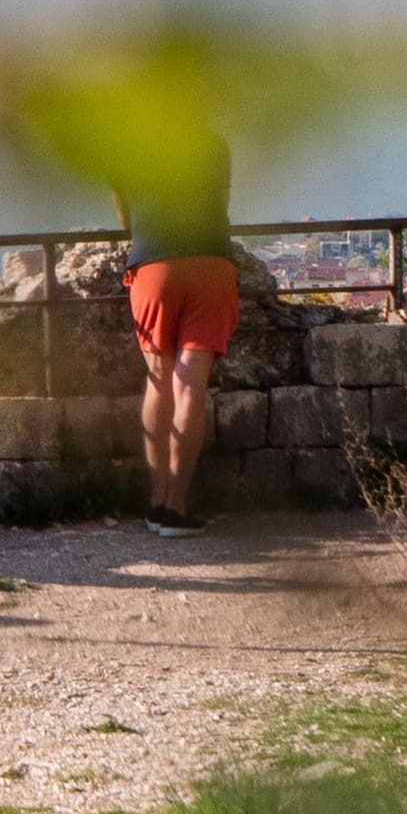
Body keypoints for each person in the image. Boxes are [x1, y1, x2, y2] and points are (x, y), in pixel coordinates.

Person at [116, 123, 241, 529]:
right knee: (191, 386)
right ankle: (176, 506)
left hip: (153, 262)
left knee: (158, 379)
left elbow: (123, 205)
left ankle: (156, 501)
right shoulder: (214, 141)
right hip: (211, 261)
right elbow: (221, 203)